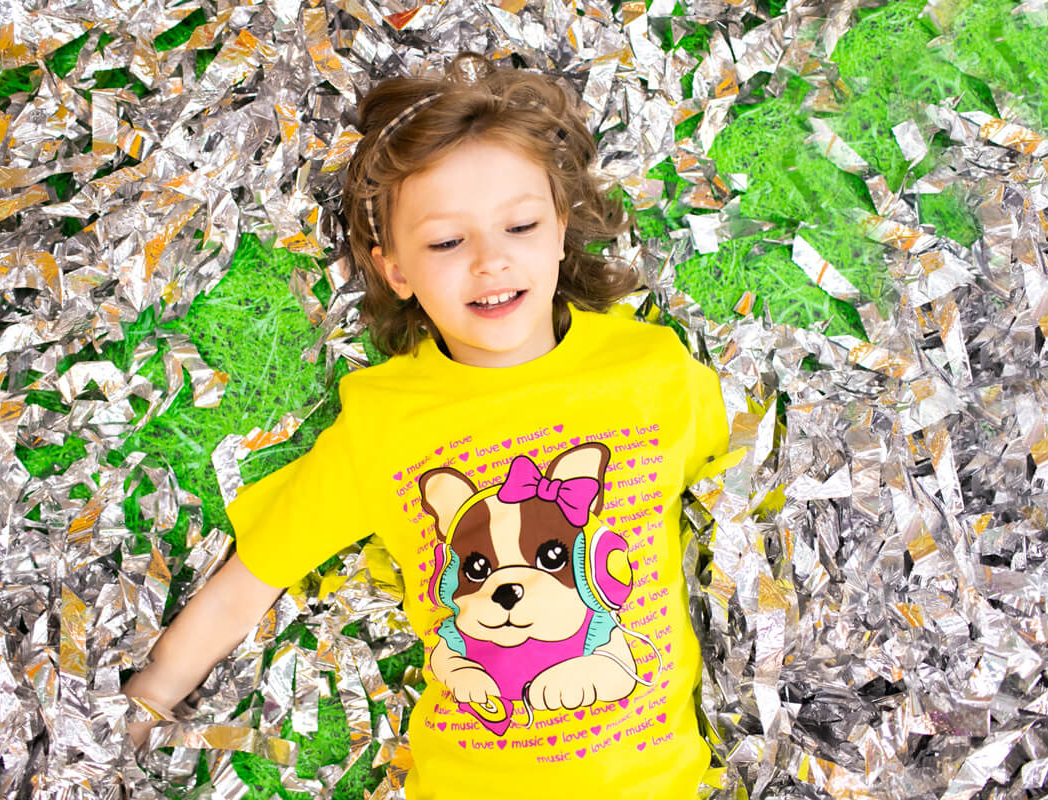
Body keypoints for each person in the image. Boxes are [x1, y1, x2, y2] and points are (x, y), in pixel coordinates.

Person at [122, 52, 730, 800]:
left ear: (560, 229)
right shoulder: (384, 421)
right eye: (446, 242)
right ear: (398, 271)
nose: (490, 261)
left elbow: (744, 493)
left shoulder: (652, 371)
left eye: (520, 225)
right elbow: (255, 576)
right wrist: (151, 693)